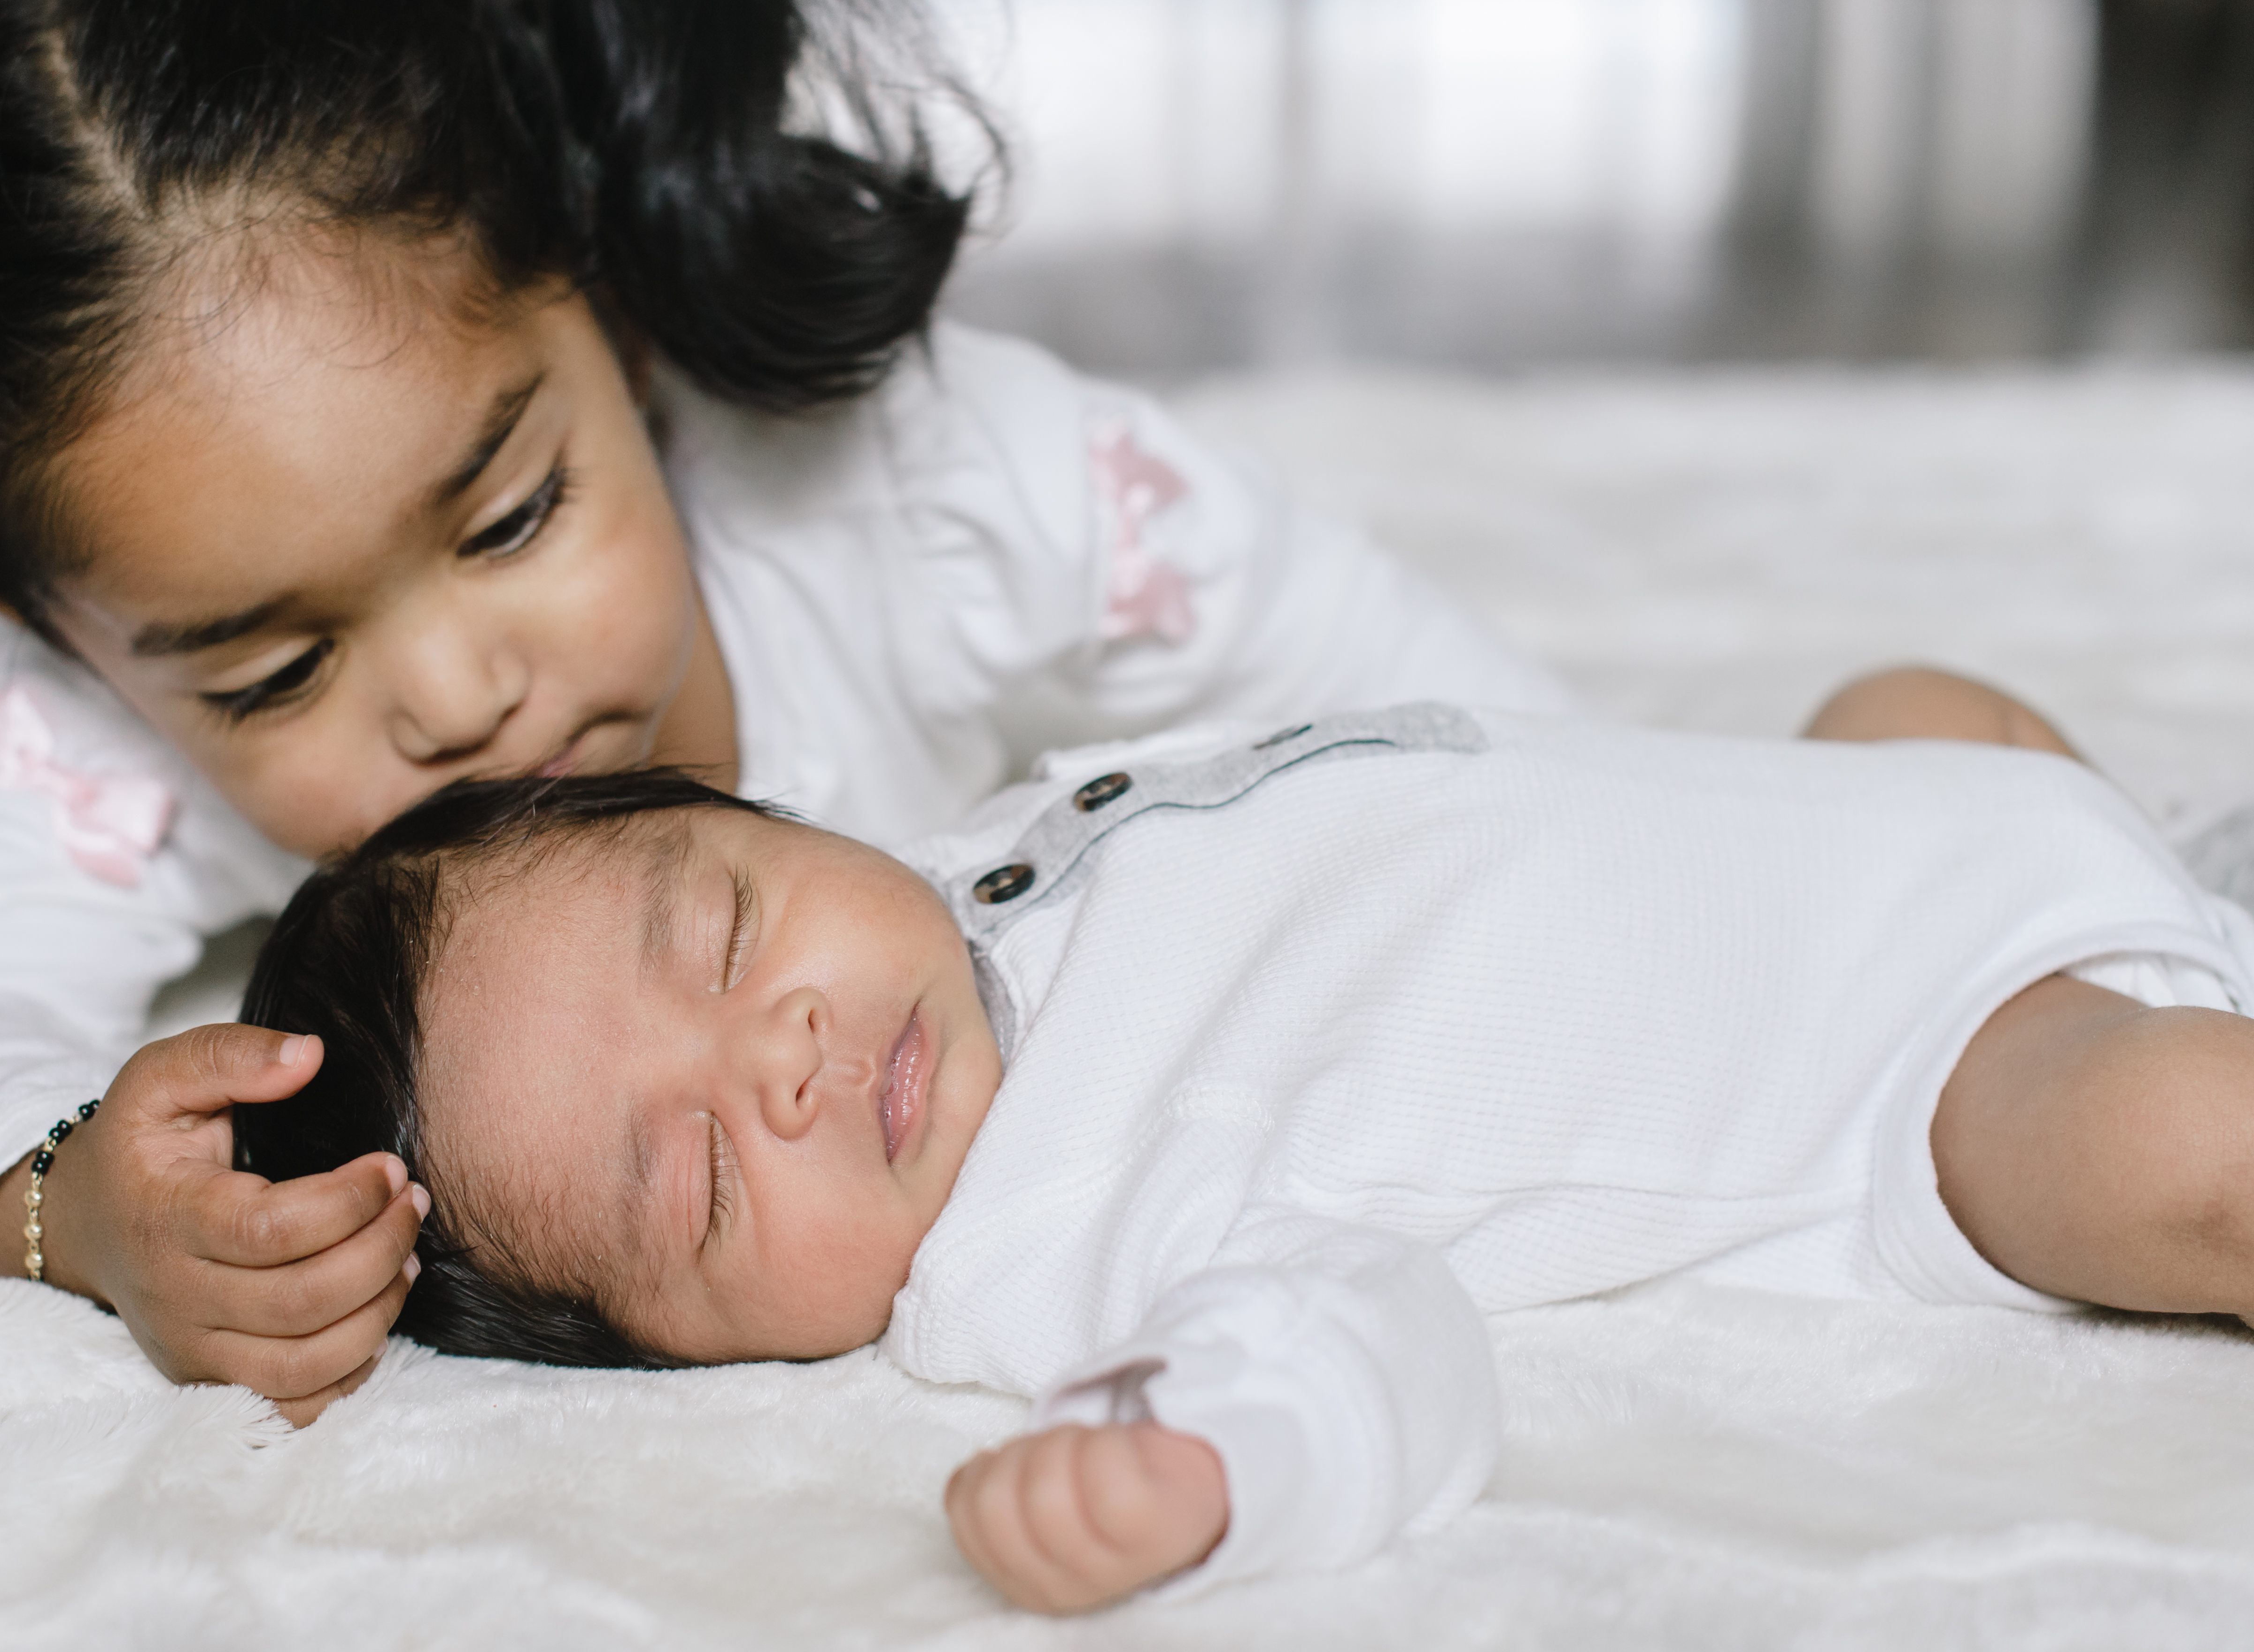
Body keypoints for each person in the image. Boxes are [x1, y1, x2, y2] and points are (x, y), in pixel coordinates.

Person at [0, 0, 1571, 1425]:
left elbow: (1343, 640)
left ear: (611, 309)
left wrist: (1613, 803)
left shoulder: (925, 486)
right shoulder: (89, 740)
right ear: (55, 634)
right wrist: (80, 1206)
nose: (457, 692)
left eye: (511, 517)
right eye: (275, 665)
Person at [226, 667, 2254, 1612]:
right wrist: (1212, 1458)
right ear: (686, 1355)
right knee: (2180, 1136)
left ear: (764, 819)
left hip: (1909, 831)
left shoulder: (974, 867)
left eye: (729, 925)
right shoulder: (1055, 1229)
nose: (783, 1059)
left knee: (1911, 700)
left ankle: (2180, 878)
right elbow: (1358, 1329)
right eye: (700, 1183)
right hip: (1927, 1067)